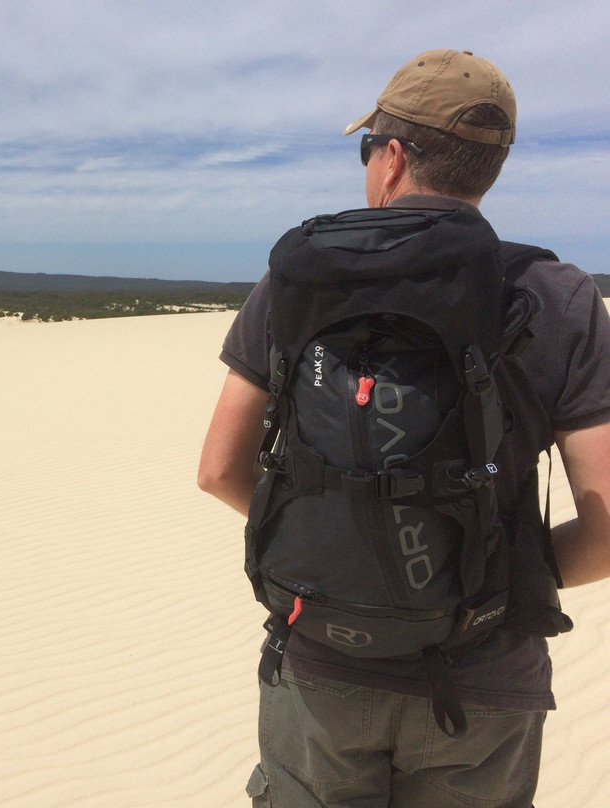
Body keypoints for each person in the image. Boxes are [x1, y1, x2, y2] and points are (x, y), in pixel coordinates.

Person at [198, 49, 610, 807]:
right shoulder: (562, 296)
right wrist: (493, 572)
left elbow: (219, 469)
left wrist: (332, 524)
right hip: (484, 677)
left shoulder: (292, 282)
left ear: (391, 157)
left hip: (322, 659)